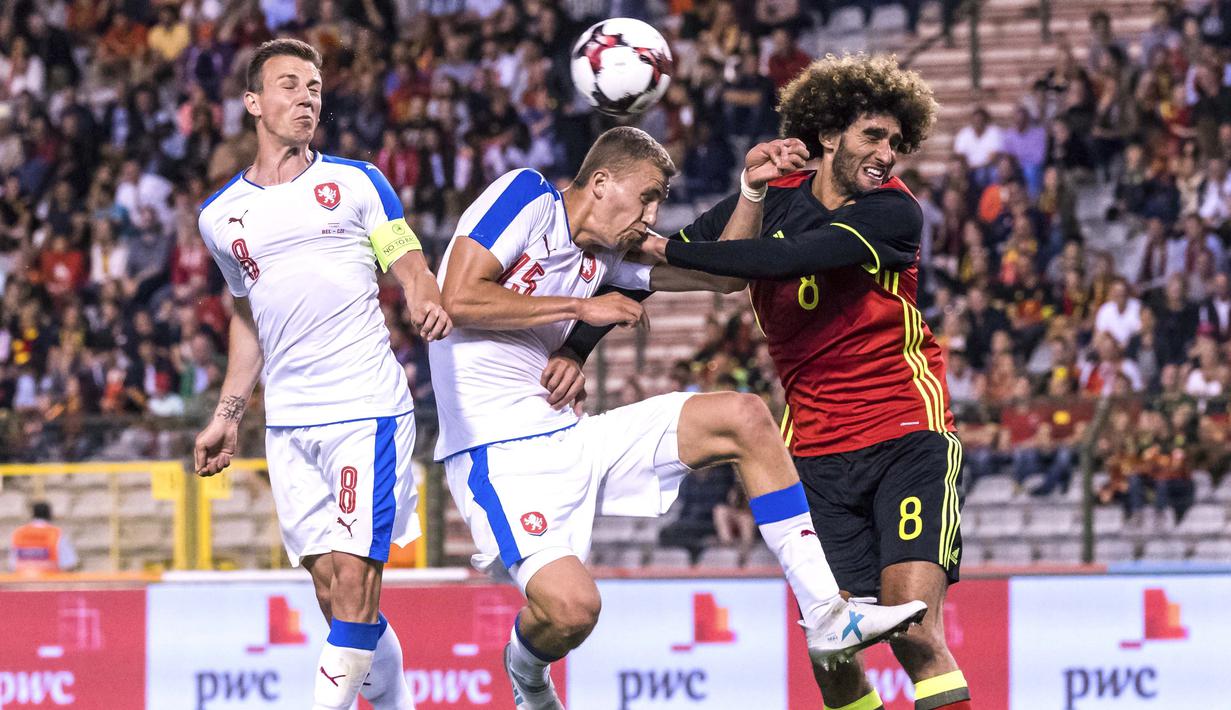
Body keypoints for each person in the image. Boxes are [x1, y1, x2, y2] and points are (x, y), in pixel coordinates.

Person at [429, 126, 927, 710]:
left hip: (572, 433)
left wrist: (750, 192)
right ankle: (525, 669)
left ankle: (825, 615)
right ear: (600, 181)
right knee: (571, 612)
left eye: (660, 201)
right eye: (646, 197)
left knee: (742, 415)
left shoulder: (612, 251)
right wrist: (581, 308)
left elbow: (723, 278)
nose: (652, 214)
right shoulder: (527, 196)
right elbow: (457, 300)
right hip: (500, 454)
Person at [634, 54, 972, 710]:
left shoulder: (892, 214)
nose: (886, 153)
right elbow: (718, 268)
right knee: (832, 646)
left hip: (906, 432)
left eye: (896, 143)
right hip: (812, 450)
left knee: (912, 626)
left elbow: (782, 259)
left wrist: (662, 249)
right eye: (872, 135)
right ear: (826, 135)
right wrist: (750, 192)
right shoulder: (775, 196)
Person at [192, 39, 450, 710]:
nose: (307, 96)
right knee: (336, 596)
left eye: (313, 86)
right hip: (289, 423)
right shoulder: (220, 219)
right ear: (253, 102)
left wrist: (420, 293)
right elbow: (248, 320)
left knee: (357, 585)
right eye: (289, 85)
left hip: (364, 407)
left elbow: (406, 255)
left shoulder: (358, 182)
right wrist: (228, 413)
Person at [9, 501, 78, 574]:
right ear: (49, 514)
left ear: (33, 514)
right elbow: (69, 563)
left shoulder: (19, 533)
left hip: (22, 581)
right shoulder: (56, 533)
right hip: (49, 582)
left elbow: (12, 564)